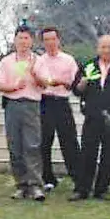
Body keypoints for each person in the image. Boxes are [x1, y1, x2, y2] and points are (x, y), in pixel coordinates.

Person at [70, 35, 110, 201]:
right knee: (87, 154)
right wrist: (82, 83)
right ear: (98, 48)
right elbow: (76, 90)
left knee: (109, 154)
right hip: (93, 116)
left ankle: (102, 189)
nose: (106, 50)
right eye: (103, 47)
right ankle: (82, 189)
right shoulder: (88, 66)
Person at [0, 25, 46, 201]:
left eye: (26, 38)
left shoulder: (38, 60)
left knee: (32, 145)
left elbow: (45, 84)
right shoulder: (6, 61)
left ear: (31, 40)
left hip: (31, 104)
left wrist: (34, 73)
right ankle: (21, 184)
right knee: (14, 146)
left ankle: (35, 185)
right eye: (20, 38)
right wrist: (14, 87)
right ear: (15, 40)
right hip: (13, 105)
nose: (23, 42)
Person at [35, 27, 81, 191]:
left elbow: (75, 84)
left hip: (62, 102)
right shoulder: (39, 61)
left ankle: (78, 178)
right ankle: (47, 178)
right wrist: (44, 82)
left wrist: (61, 82)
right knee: (44, 142)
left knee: (69, 141)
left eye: (52, 39)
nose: (50, 43)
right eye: (46, 40)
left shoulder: (68, 60)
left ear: (58, 40)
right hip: (45, 102)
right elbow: (36, 82)